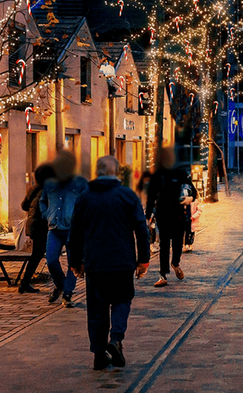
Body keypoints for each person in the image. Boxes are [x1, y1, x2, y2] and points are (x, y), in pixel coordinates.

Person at [69, 155, 150, 370]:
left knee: (97, 308)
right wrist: (143, 260)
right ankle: (116, 339)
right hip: (122, 261)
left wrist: (75, 261)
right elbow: (142, 229)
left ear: (97, 173)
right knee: (122, 300)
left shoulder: (85, 197)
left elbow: (75, 233)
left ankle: (98, 354)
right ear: (116, 173)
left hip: (95, 263)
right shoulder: (127, 196)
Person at [39, 150, 89, 307]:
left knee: (72, 263)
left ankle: (67, 293)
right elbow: (42, 202)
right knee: (51, 260)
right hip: (54, 229)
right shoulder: (50, 183)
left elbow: (87, 202)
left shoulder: (80, 183)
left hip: (72, 229)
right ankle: (60, 285)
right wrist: (47, 214)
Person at [146, 147, 195, 287]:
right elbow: (151, 197)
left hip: (178, 214)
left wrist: (190, 198)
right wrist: (148, 216)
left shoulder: (180, 173)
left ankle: (175, 263)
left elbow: (193, 190)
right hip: (163, 214)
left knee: (178, 242)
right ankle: (162, 275)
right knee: (164, 244)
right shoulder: (158, 175)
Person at [18, 163, 55, 294]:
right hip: (40, 226)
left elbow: (24, 206)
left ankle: (25, 282)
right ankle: (25, 282)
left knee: (38, 254)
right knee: (43, 255)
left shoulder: (33, 189)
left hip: (33, 225)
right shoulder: (47, 190)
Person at [184, 186, 202, 252]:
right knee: (186, 232)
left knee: (191, 233)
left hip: (192, 220)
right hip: (186, 219)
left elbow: (199, 210)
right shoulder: (185, 201)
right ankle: (186, 244)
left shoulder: (196, 202)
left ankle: (190, 244)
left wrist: (193, 216)